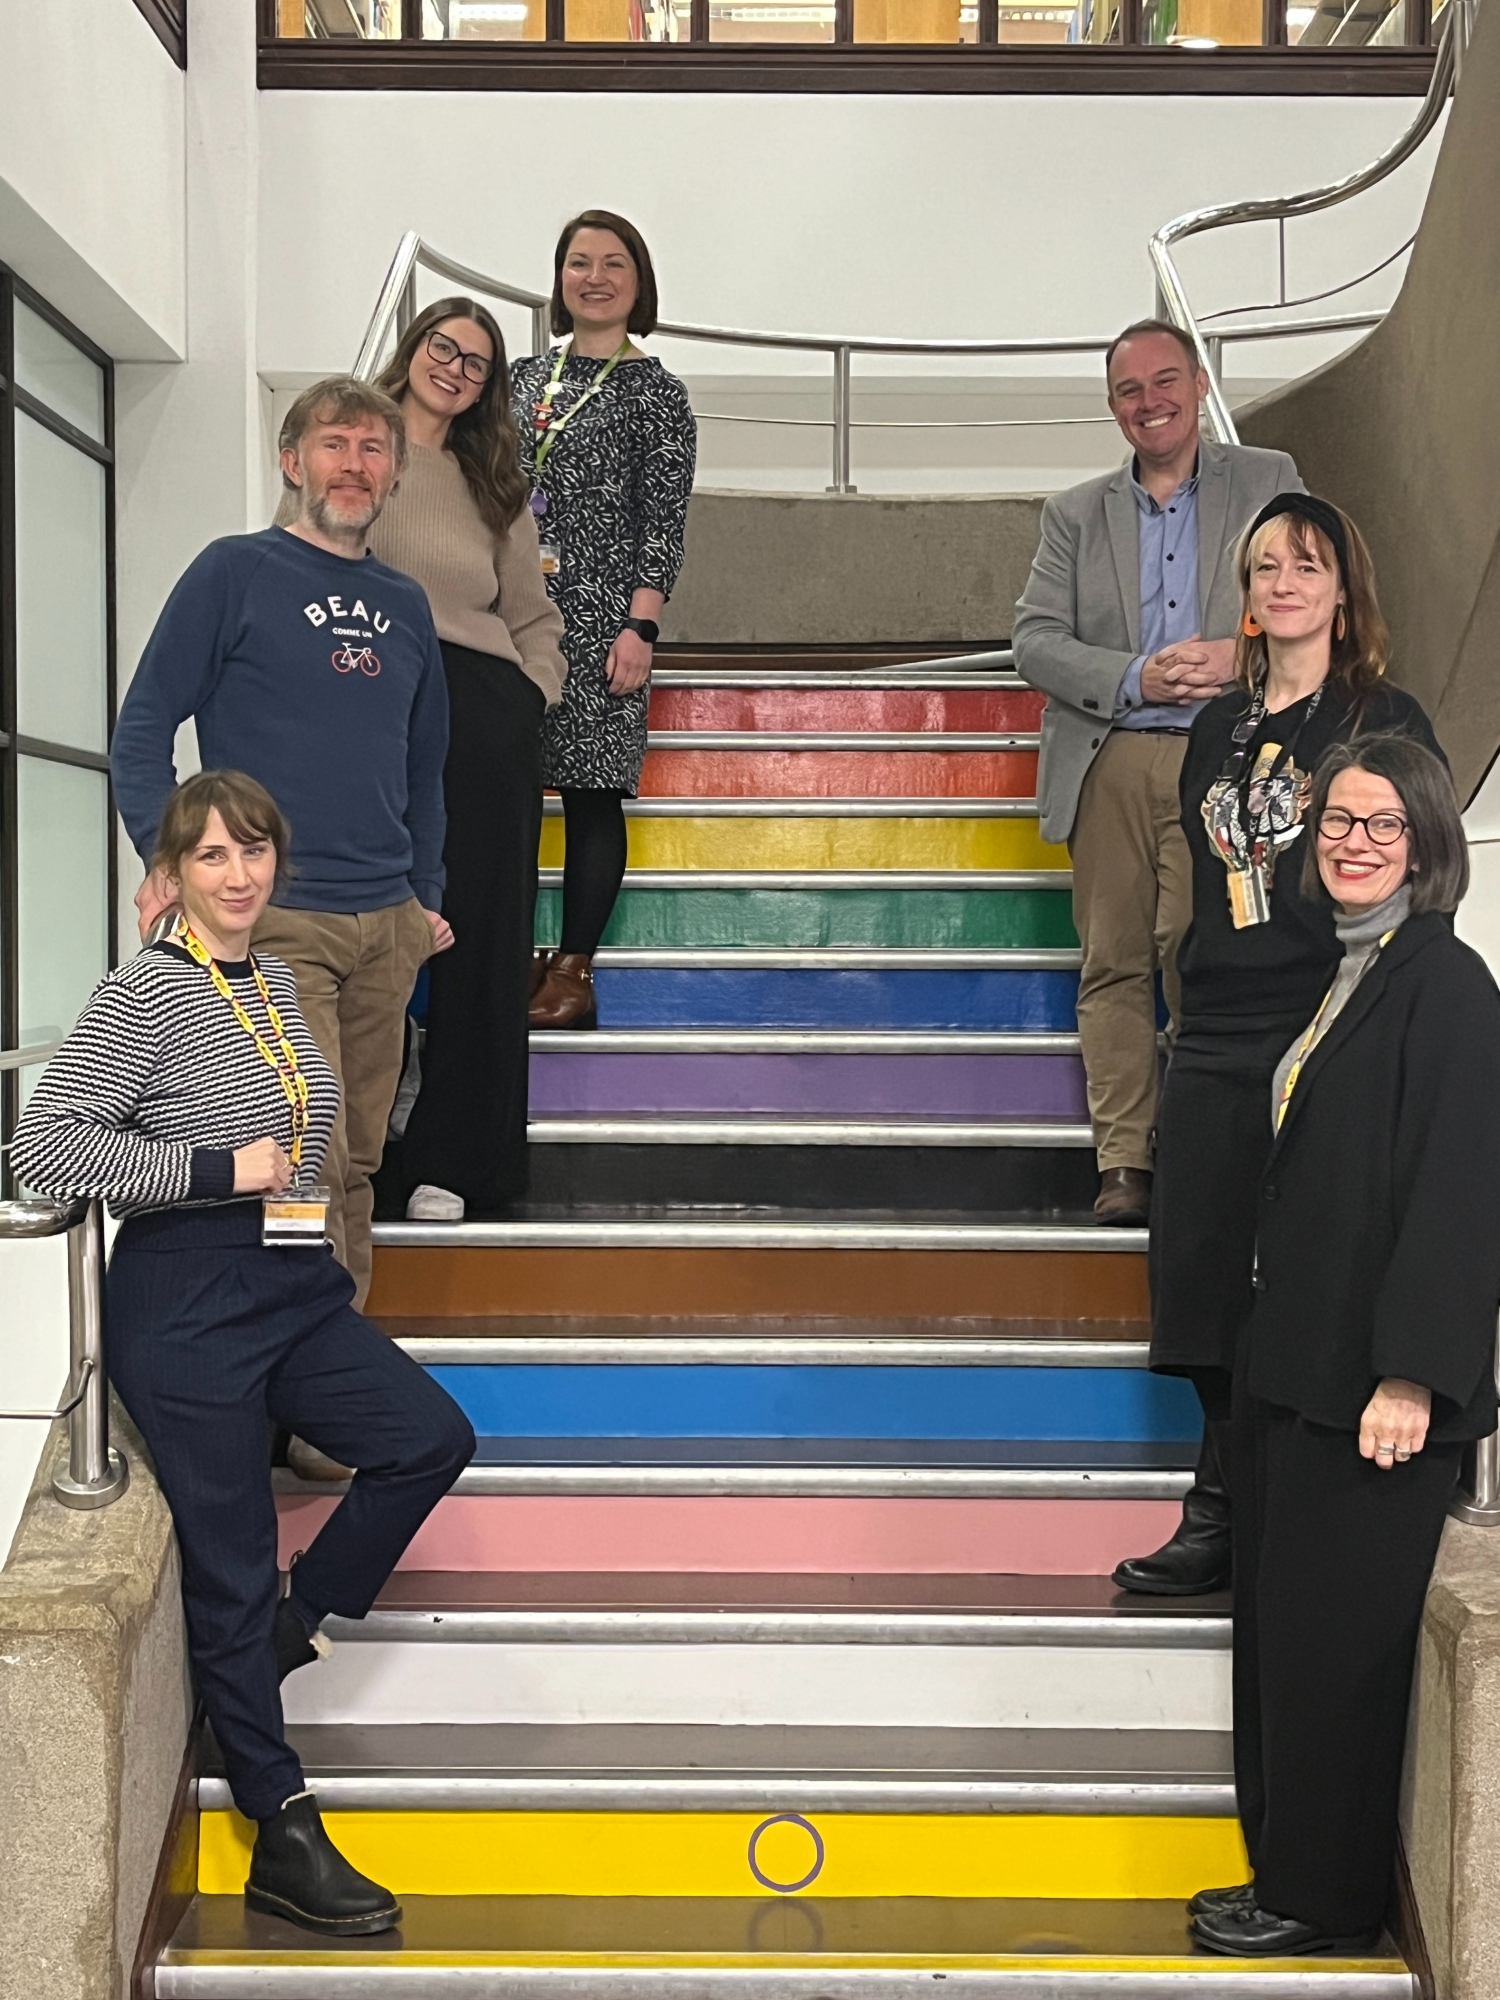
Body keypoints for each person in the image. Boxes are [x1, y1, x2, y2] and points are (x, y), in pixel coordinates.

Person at [10, 770, 475, 1937]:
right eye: (212, 854)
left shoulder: (269, 978)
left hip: (290, 1287)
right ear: (171, 874)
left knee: (429, 1436)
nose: (239, 873)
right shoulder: (145, 992)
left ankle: (284, 1630)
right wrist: (218, 1170)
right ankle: (281, 1824)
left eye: (254, 850)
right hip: (187, 1304)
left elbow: (306, 1144)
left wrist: (294, 1201)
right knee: (228, 1560)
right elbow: (42, 1148)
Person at [1188, 735, 1500, 1957]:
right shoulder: (1345, 972)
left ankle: (1321, 1897)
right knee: (1284, 1639)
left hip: (1375, 1392)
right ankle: (1284, 1870)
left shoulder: (1448, 984)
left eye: (1381, 824)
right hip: (1297, 1368)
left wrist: (1411, 1371)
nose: (1353, 842)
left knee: (1337, 1654)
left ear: (1426, 844)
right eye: (1336, 822)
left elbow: (1459, 1191)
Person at [1115, 492, 1443, 1598]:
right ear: (1248, 596)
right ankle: (1230, 1493)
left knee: (1300, 1276)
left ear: (1344, 590)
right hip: (1214, 1026)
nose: (1284, 582)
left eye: (1307, 564)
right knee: (1199, 1272)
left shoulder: (1383, 717)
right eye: (1265, 567)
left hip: (1321, 1018)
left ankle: (1245, 1507)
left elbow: (1418, 873)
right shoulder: (1218, 725)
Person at [111, 376, 451, 1308]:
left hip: (386, 925)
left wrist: (424, 897)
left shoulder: (407, 604)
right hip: (274, 926)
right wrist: (169, 861)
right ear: (292, 461)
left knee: (358, 1161)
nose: (354, 464)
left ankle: (331, 1358)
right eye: (335, 444)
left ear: (394, 474)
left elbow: (425, 768)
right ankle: (304, 1364)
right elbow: (142, 731)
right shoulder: (234, 571)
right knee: (302, 1159)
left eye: (373, 449)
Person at [1013, 319, 1302, 1226]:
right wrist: (1135, 675)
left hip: (1225, 756)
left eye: (1166, 381)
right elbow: (1034, 640)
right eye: (1130, 390)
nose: (1151, 402)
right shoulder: (1073, 513)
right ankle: (1125, 1165)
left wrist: (1241, 652)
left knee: (1198, 952)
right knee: (1113, 963)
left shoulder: (1268, 479)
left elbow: (1312, 594)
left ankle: (1207, 1153)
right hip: (1111, 755)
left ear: (1200, 383)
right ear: (1113, 407)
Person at [366, 295, 568, 1223]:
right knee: (366, 921)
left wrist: (531, 693)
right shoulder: (359, 451)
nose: (454, 368)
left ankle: (458, 1158)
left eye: (476, 362)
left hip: (483, 712)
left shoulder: (496, 486)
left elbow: (532, 614)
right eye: (443, 348)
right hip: (371, 694)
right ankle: (356, 1146)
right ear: (413, 349)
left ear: (489, 386)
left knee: (481, 936)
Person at [511, 209, 697, 1029]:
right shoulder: (521, 379)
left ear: (638, 281)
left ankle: (574, 971)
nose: (595, 277)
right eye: (579, 262)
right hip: (511, 618)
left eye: (613, 263)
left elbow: (664, 520)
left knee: (591, 796)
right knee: (508, 796)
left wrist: (641, 626)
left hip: (602, 623)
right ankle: (512, 956)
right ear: (559, 280)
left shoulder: (658, 393)